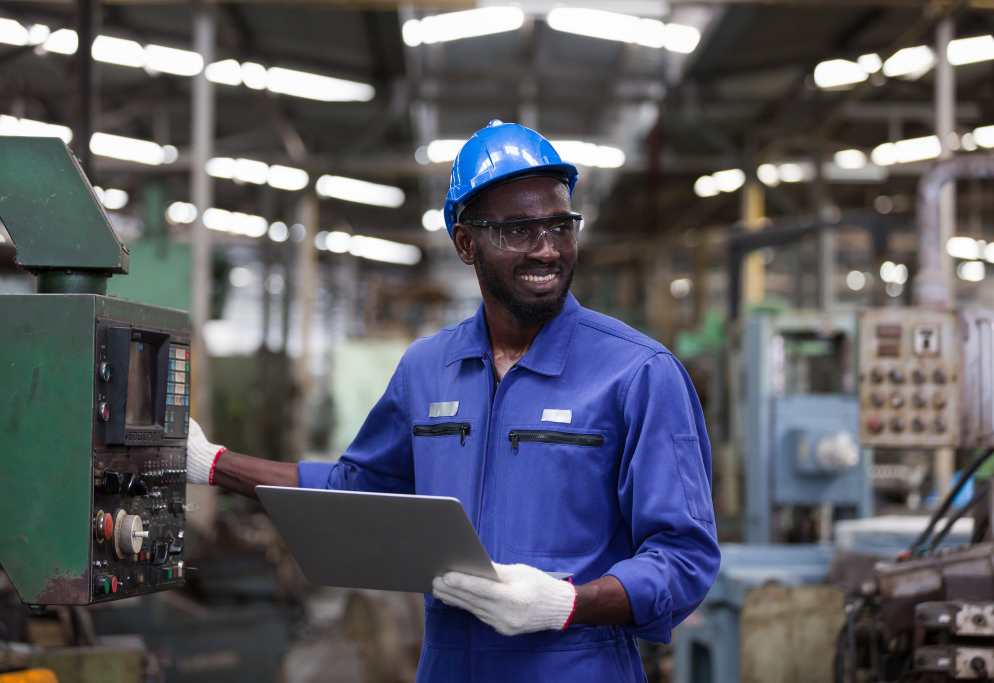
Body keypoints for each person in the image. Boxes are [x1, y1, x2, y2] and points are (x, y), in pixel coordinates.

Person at [187, 119, 719, 682]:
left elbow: (684, 559)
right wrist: (213, 464)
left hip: (576, 666)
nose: (547, 249)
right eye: (518, 230)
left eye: (560, 226)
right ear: (466, 242)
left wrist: (568, 604)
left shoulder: (639, 373)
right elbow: (354, 492)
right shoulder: (427, 370)